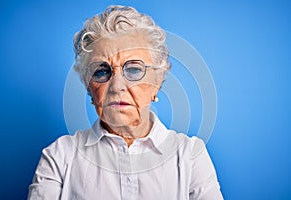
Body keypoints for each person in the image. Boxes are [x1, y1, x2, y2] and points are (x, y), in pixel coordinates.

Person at [28, 5, 223, 200]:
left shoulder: (190, 155)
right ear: (89, 87)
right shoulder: (59, 156)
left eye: (134, 70)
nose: (117, 86)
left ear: (157, 82)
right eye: (101, 71)